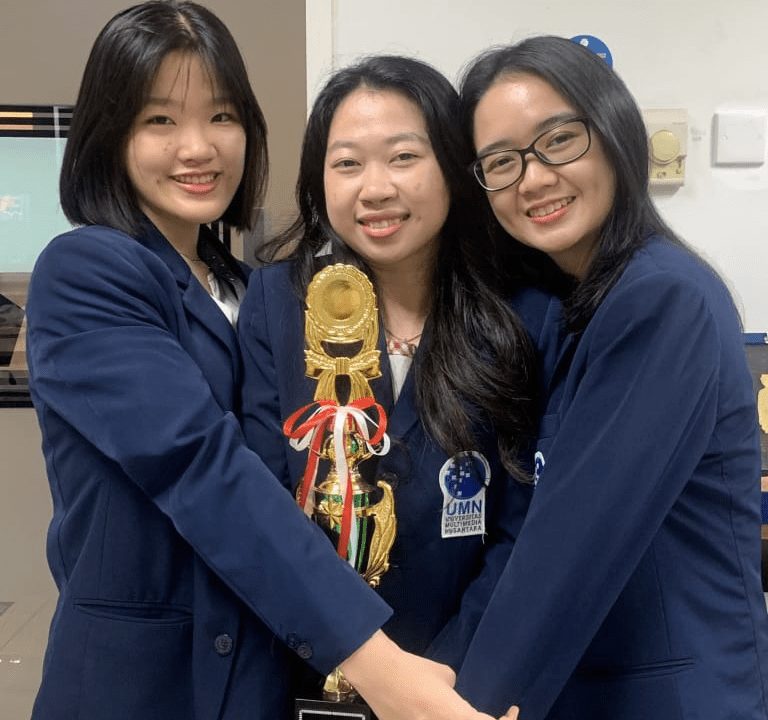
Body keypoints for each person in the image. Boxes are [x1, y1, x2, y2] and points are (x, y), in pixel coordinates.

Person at [24, 4, 499, 719]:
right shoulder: (88, 270)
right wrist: (379, 665)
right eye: (159, 120)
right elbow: (198, 466)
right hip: (142, 681)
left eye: (221, 116)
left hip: (255, 675)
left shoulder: (253, 289)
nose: (198, 147)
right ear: (109, 133)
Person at [450, 35, 768, 720]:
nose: (532, 179)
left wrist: (454, 707)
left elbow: (566, 552)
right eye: (501, 162)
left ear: (614, 131)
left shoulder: (663, 300)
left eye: (558, 140)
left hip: (668, 698)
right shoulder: (568, 306)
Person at [237, 54, 557, 713]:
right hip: (306, 672)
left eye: (404, 157)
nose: (374, 188)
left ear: (452, 167)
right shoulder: (277, 304)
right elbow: (262, 507)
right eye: (347, 163)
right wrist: (359, 663)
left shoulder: (523, 312)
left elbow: (526, 530)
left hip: (466, 682)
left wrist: (441, 684)